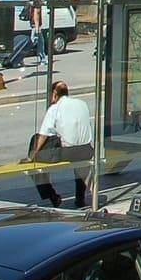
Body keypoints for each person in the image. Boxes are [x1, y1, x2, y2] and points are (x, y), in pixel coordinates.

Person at [27, 81, 96, 209]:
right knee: (80, 163)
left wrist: (31, 156)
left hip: (68, 151)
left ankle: (52, 195)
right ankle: (80, 198)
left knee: (34, 142)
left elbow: (43, 134)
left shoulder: (55, 108)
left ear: (54, 94)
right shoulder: (82, 103)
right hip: (86, 149)